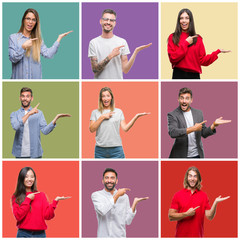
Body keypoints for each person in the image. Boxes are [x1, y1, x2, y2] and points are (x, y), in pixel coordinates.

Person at [8, 8, 72, 79]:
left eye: (33, 20)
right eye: (28, 18)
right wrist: (23, 47)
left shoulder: (38, 40)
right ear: (23, 20)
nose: (30, 22)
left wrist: (59, 38)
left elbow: (48, 54)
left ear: (36, 22)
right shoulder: (13, 38)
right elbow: (12, 59)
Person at [167, 87, 231, 158]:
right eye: (182, 98)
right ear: (178, 99)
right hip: (180, 155)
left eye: (187, 98)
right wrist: (193, 128)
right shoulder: (173, 114)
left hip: (197, 155)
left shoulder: (198, 113)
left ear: (191, 100)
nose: (184, 101)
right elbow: (173, 132)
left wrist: (213, 125)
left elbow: (203, 133)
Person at [88, 9, 152, 79]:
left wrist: (136, 52)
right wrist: (111, 55)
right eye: (106, 19)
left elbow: (125, 70)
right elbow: (95, 69)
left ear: (114, 23)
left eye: (111, 20)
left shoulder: (122, 42)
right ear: (101, 21)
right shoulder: (93, 42)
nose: (108, 22)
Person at [167, 8, 230, 79]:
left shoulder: (198, 38)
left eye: (187, 18)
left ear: (190, 21)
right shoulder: (173, 37)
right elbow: (173, 58)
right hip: (178, 74)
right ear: (179, 21)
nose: (184, 21)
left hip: (194, 75)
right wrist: (186, 43)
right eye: (181, 18)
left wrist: (218, 52)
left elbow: (202, 60)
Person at [168, 166, 230, 237]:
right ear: (187, 178)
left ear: (198, 179)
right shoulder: (178, 195)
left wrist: (215, 202)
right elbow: (171, 216)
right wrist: (186, 214)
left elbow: (209, 216)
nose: (192, 179)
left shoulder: (204, 195)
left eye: (195, 176)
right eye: (190, 176)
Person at [89, 87, 150, 158]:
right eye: (103, 96)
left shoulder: (118, 111)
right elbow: (91, 129)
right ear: (101, 98)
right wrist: (102, 117)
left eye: (108, 96)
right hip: (100, 150)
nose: (106, 98)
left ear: (111, 97)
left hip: (116, 150)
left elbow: (125, 128)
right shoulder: (95, 112)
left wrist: (136, 116)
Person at [10, 87, 71, 158]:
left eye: (27, 96)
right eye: (23, 96)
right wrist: (29, 113)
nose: (25, 98)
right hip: (19, 153)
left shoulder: (39, 113)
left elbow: (45, 131)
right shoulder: (14, 114)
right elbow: (15, 126)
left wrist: (56, 118)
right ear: (20, 98)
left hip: (35, 153)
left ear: (31, 98)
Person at [11, 167, 71, 238]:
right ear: (21, 178)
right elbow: (18, 216)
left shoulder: (41, 195)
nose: (29, 179)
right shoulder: (16, 196)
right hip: (23, 234)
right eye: (26, 177)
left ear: (34, 179)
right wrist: (28, 199)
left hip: (40, 235)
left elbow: (47, 216)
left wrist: (55, 201)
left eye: (32, 177)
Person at [91, 168, 149, 237]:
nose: (109, 180)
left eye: (112, 178)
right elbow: (102, 211)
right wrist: (117, 195)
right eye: (106, 178)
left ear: (116, 181)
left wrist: (134, 204)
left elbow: (127, 221)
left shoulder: (124, 197)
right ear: (103, 181)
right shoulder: (96, 195)